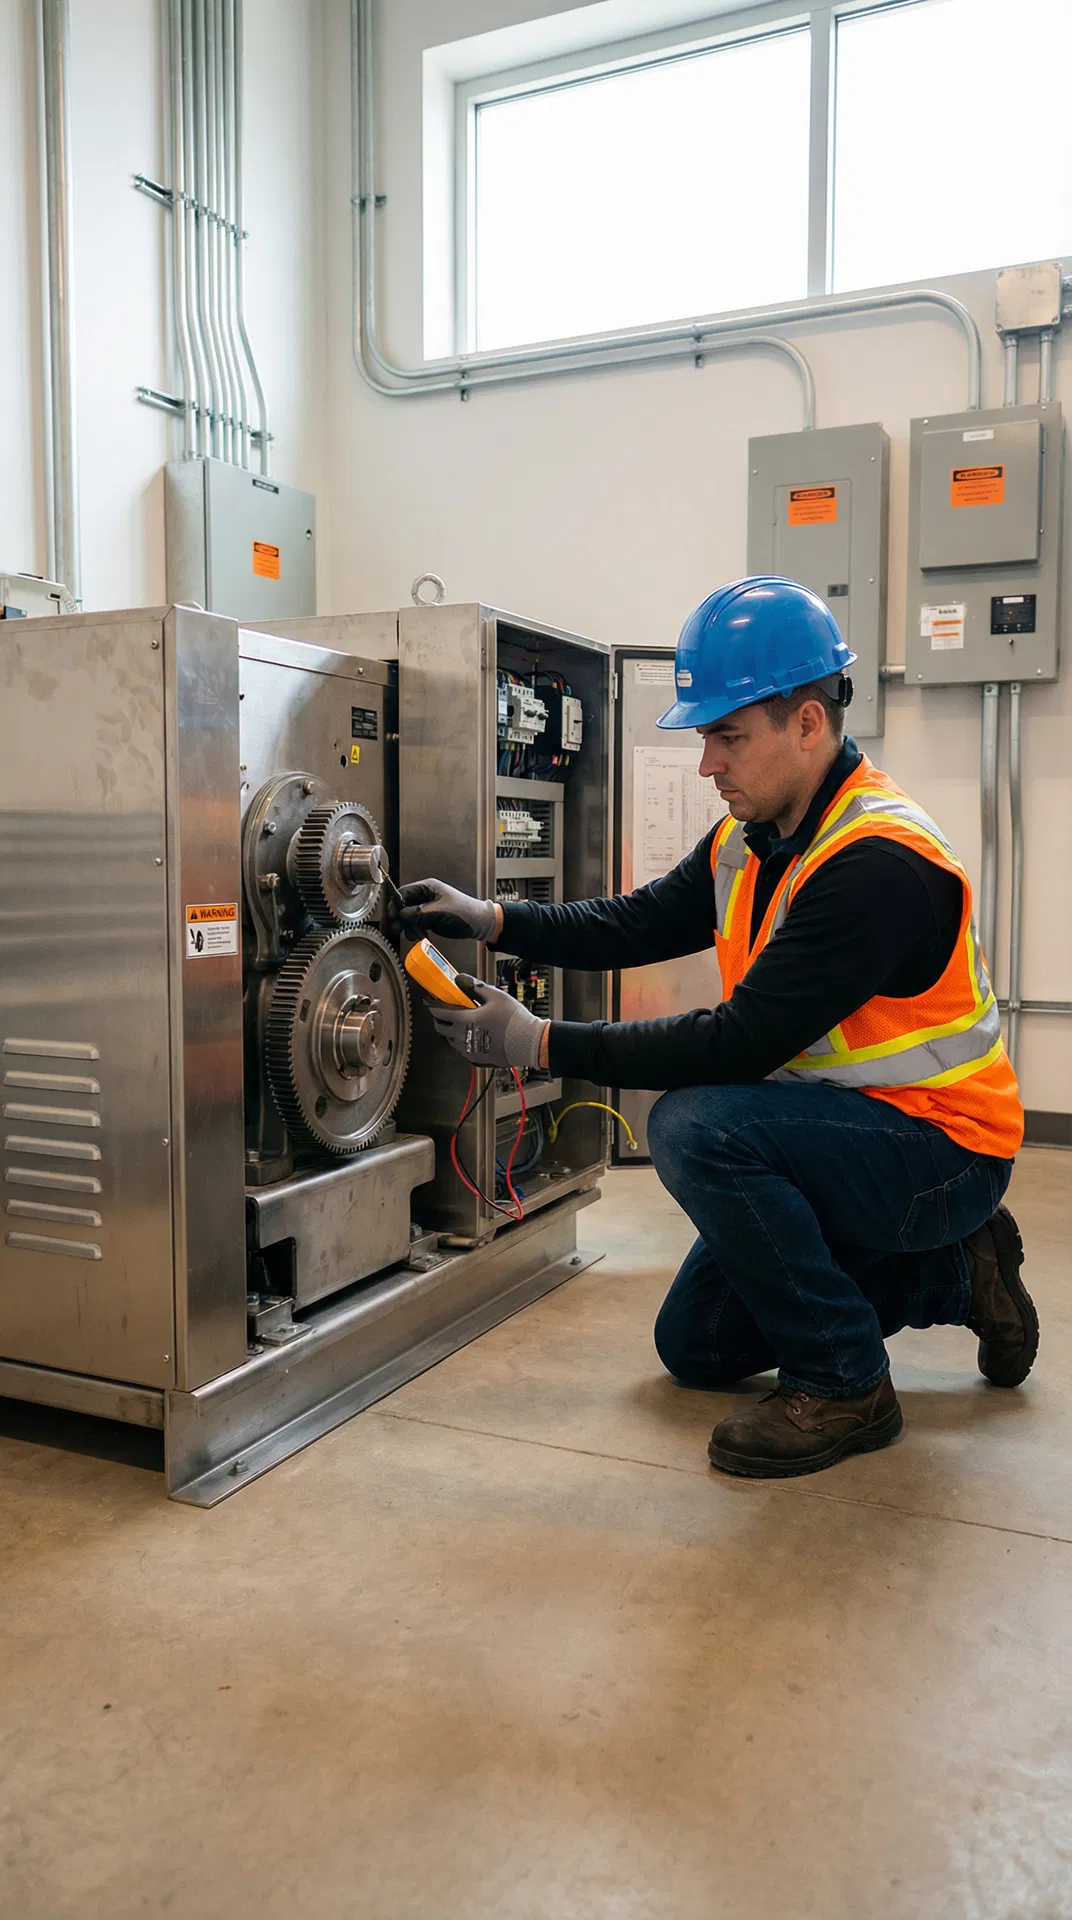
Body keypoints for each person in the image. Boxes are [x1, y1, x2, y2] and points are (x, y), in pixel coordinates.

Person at [396, 577, 1038, 1480]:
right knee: (696, 1345)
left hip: (941, 1151)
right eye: (706, 738)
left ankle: (846, 1383)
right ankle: (959, 1274)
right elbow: (637, 922)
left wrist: (538, 1043)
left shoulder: (877, 865)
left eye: (727, 737)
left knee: (695, 1125)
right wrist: (495, 919)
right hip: (836, 1135)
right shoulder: (754, 836)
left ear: (807, 723)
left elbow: (738, 1043)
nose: (707, 765)